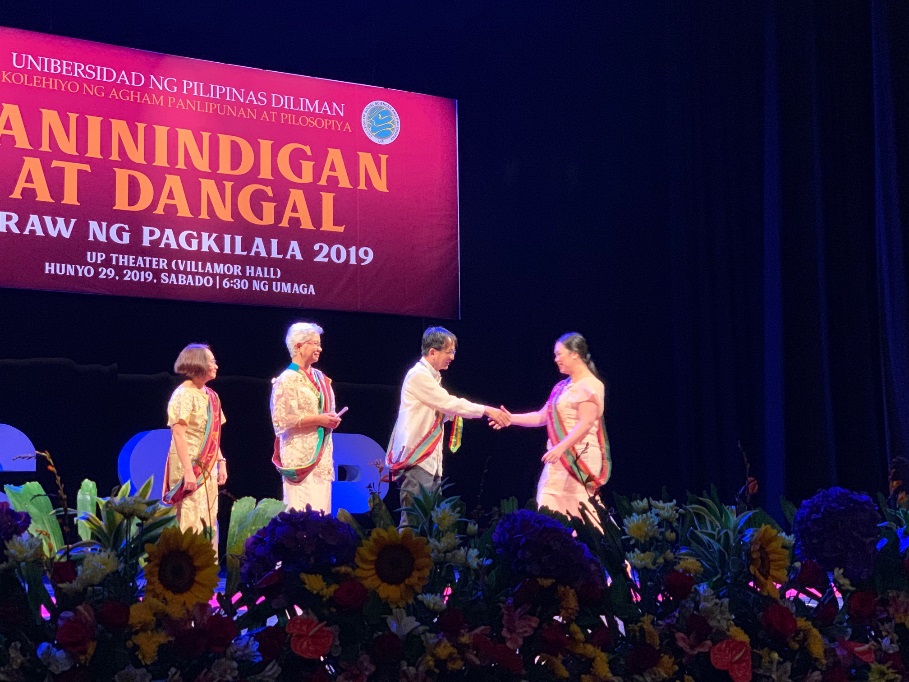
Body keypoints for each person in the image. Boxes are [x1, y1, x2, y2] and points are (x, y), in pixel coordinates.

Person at [387, 326, 510, 526]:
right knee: (414, 523)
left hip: (429, 462)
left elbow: (443, 410)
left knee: (428, 524)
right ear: (433, 352)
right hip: (416, 459)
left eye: (453, 351)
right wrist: (487, 410)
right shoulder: (418, 376)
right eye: (449, 351)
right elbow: (449, 403)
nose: (452, 357)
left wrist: (453, 413)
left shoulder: (433, 378)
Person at [499, 332, 611, 525]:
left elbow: (585, 423)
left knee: (580, 509)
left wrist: (560, 448)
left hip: (578, 456)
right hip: (559, 456)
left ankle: (597, 552)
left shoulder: (591, 385)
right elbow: (541, 417)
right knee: (549, 502)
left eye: (559, 354)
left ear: (575, 354)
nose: (556, 359)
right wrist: (510, 419)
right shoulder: (561, 387)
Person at [162, 343, 228, 555]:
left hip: (208, 467)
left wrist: (221, 461)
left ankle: (207, 571)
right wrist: (189, 471)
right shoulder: (183, 394)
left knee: (208, 516)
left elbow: (213, 435)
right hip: (187, 465)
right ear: (198, 364)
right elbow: (178, 433)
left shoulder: (212, 396)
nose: (216, 365)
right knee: (190, 516)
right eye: (211, 361)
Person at [270, 322, 341, 513]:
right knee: (301, 516)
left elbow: (327, 412)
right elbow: (281, 420)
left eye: (319, 343)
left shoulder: (321, 378)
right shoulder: (286, 379)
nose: (320, 348)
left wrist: (331, 419)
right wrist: (319, 420)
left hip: (322, 456)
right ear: (299, 346)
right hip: (299, 458)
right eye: (314, 343)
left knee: (322, 513)